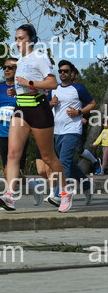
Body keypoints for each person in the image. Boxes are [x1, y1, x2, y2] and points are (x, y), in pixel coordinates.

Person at [0, 24, 72, 212]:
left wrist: (28, 82)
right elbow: (25, 87)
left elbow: (52, 83)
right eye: (16, 38)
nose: (17, 42)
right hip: (20, 108)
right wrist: (16, 91)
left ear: (32, 40)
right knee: (12, 154)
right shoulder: (20, 61)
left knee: (48, 157)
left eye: (21, 38)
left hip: (38, 109)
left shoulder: (40, 57)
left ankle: (65, 192)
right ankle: (10, 196)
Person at [0, 58, 39, 203]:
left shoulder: (24, 87)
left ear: (18, 69)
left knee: (11, 167)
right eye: (5, 67)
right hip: (3, 132)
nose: (6, 70)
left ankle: (9, 198)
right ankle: (32, 184)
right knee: (6, 169)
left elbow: (34, 106)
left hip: (20, 132)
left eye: (10, 67)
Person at [45, 60, 96, 205]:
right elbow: (45, 107)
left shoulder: (78, 89)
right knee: (67, 162)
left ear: (71, 73)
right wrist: (50, 104)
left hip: (73, 130)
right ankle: (86, 184)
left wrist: (79, 112)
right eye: (60, 71)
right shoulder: (54, 89)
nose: (62, 73)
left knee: (64, 162)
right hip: (57, 131)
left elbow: (92, 104)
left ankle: (60, 194)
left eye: (66, 71)